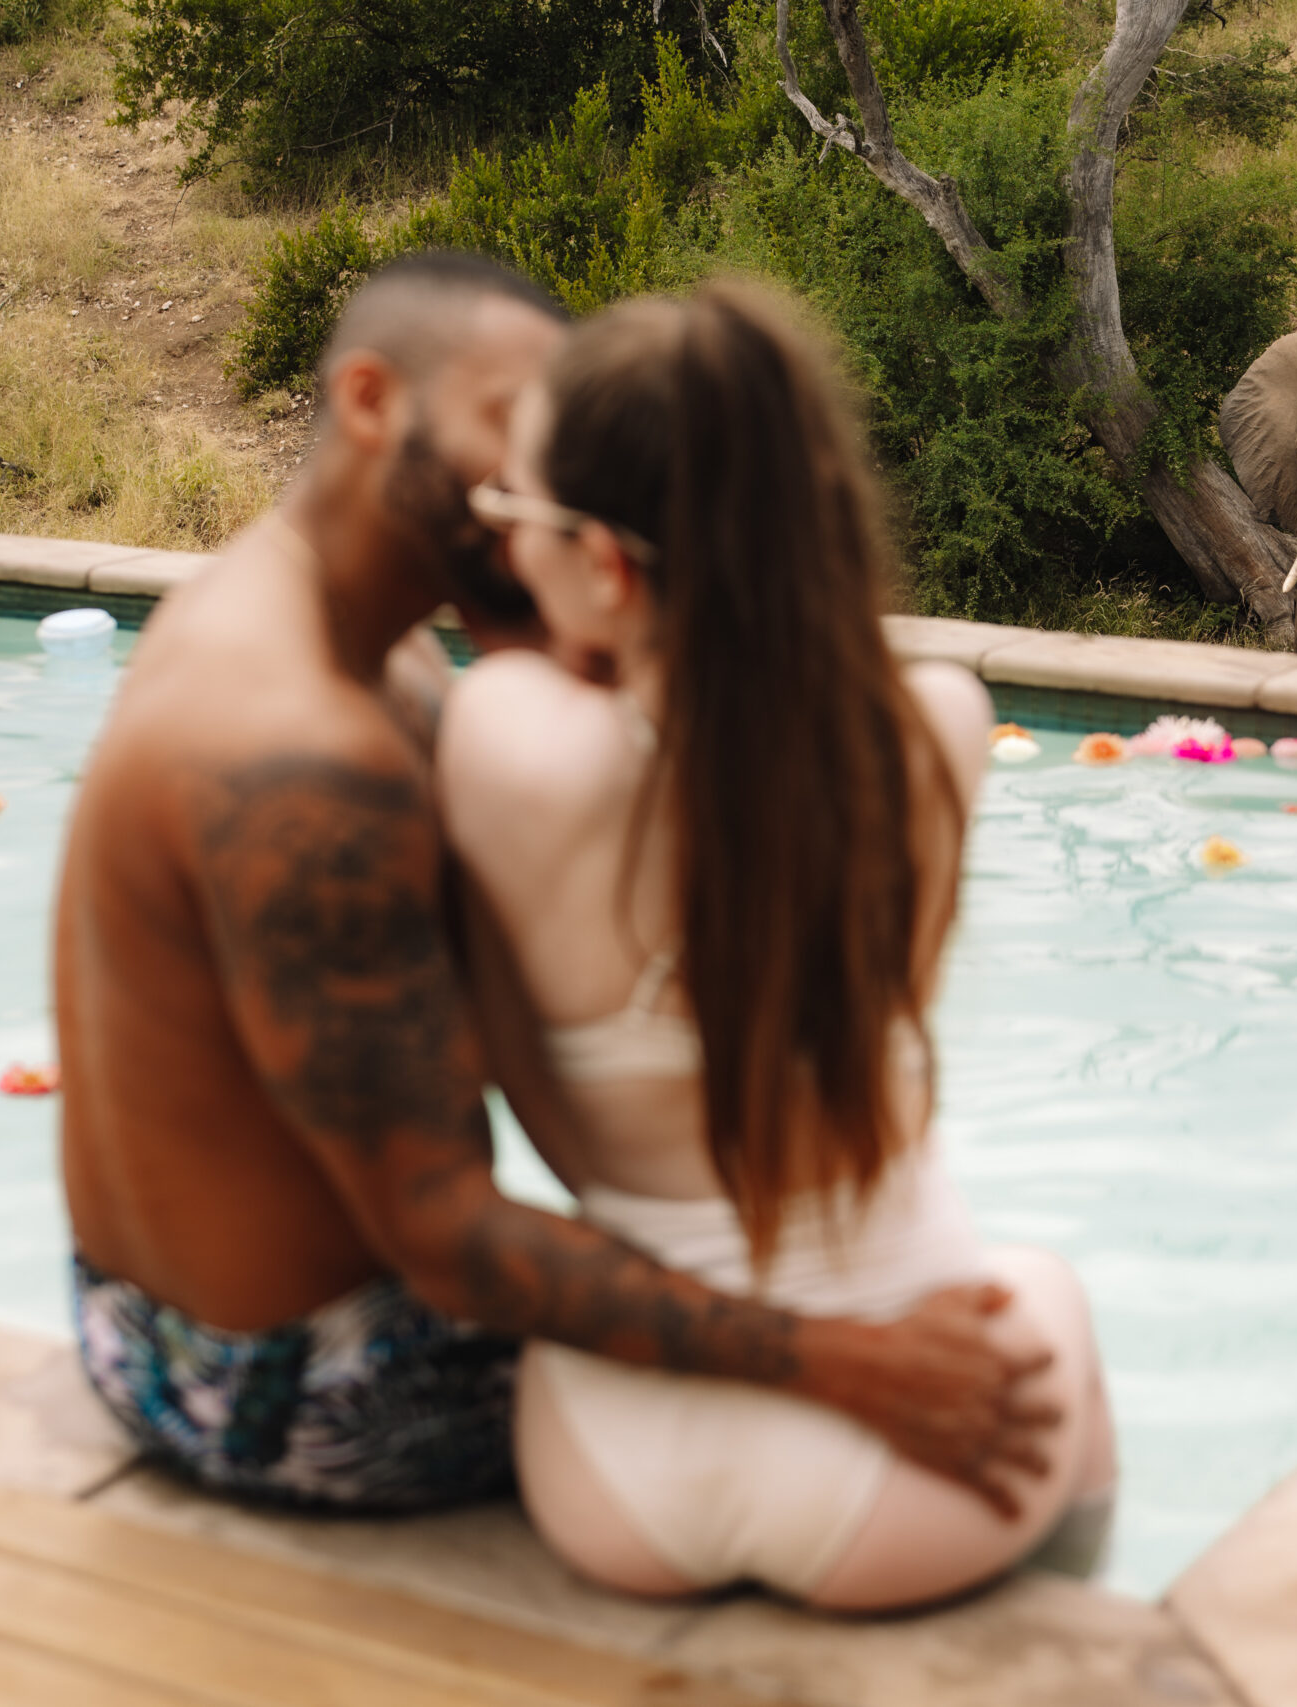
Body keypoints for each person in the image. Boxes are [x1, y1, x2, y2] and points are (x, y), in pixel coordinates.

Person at [54, 252, 1060, 1520]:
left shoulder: (353, 629)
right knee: (957, 1390)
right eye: (507, 424)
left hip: (146, 1306)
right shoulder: (301, 759)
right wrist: (848, 1366)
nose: (533, 473)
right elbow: (448, 1238)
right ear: (372, 401)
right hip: (291, 1388)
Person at [436, 280, 1116, 1610]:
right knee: (1049, 1300)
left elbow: (538, 657)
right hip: (938, 1466)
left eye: (518, 516)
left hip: (612, 1465)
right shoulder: (937, 732)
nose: (504, 543)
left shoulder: (506, 747)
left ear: (609, 564)